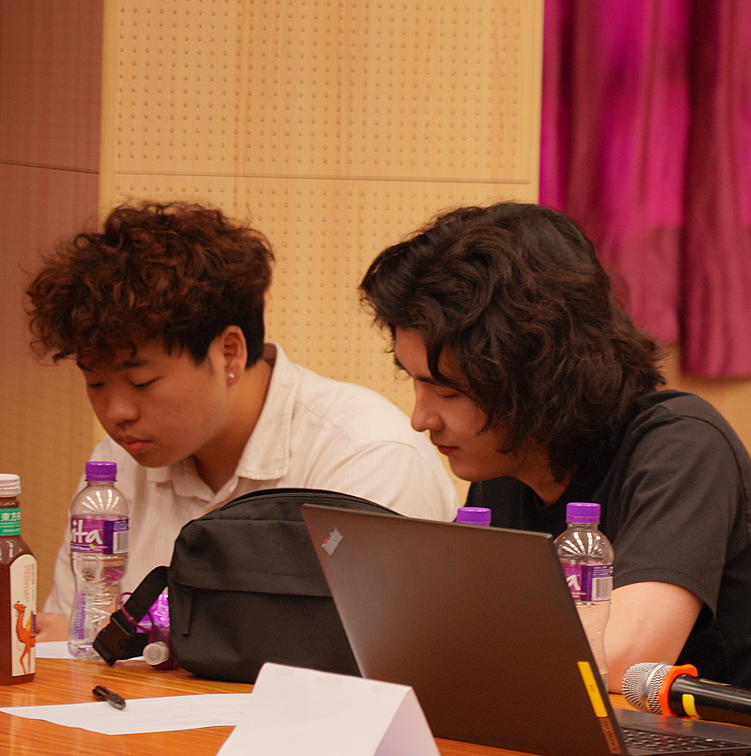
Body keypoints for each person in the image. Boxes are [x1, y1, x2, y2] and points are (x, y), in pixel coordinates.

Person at [359, 202, 751, 693]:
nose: (421, 420)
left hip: (702, 742)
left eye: (448, 393)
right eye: (415, 383)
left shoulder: (683, 444)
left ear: (533, 376)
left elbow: (624, 660)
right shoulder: (499, 464)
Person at [24, 202, 456, 638]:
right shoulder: (118, 465)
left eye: (142, 382)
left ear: (229, 353)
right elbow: (76, 629)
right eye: (95, 383)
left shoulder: (366, 457)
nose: (117, 413)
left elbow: (346, 656)